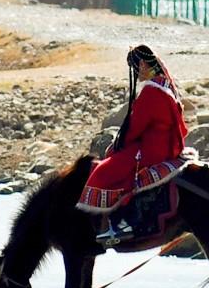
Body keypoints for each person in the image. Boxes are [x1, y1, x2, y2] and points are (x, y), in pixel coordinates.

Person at [77, 44, 191, 243]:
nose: (136, 74)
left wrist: (117, 146)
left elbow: (135, 127)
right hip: (166, 144)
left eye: (136, 68)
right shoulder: (164, 85)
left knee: (106, 171)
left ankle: (120, 223)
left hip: (153, 149)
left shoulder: (151, 92)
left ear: (143, 64)